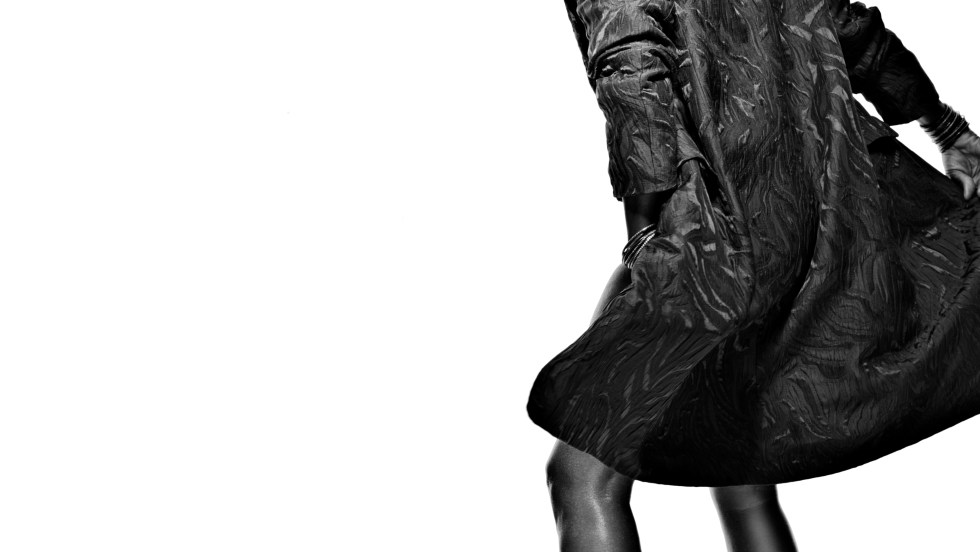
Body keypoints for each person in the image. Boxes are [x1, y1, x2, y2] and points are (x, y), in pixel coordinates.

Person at [527, 0, 980, 550]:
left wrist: (646, 239)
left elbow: (631, 68)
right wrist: (945, 126)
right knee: (740, 474)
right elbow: (844, 25)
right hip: (818, 217)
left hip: (720, 233)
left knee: (582, 477)